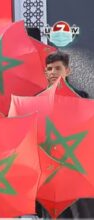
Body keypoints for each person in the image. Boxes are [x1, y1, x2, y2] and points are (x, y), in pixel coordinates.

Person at [36, 51, 91, 218]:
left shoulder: (82, 98)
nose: (53, 72)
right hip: (48, 170)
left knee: (80, 214)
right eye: (49, 69)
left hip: (75, 168)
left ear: (67, 71)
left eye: (58, 68)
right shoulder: (36, 100)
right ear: (45, 72)